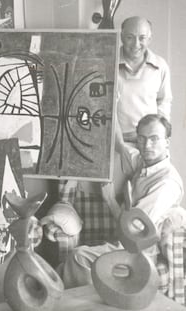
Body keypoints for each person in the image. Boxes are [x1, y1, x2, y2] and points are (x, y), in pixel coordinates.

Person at [60, 114, 183, 288]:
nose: (147, 145)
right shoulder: (144, 163)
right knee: (61, 268)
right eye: (142, 138)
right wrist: (111, 104)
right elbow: (118, 144)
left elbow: (134, 232)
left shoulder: (166, 184)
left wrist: (110, 199)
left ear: (167, 142)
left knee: (77, 257)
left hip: (138, 255)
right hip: (120, 245)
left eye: (154, 139)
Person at [117, 16, 172, 143]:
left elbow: (164, 101)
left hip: (150, 142)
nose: (136, 44)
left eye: (142, 38)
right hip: (117, 142)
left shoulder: (160, 65)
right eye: (130, 37)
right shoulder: (109, 63)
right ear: (121, 37)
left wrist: (161, 137)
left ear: (149, 39)